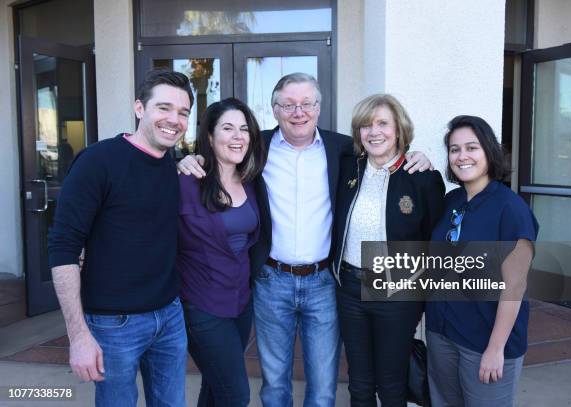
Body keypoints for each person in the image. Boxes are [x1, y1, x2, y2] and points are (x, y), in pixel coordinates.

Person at [177, 72, 433, 407]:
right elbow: (220, 163)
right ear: (275, 109)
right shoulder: (256, 148)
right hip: (271, 280)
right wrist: (191, 159)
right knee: (275, 384)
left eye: (307, 103)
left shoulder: (343, 149)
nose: (299, 112)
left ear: (318, 107)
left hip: (324, 282)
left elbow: (384, 150)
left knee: (324, 385)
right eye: (288, 104)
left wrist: (417, 156)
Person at [48, 69, 193, 407]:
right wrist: (78, 335)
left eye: (183, 112)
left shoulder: (172, 166)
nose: (174, 120)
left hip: (169, 315)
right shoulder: (97, 162)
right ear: (140, 108)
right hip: (114, 324)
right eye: (164, 108)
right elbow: (62, 247)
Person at [331, 94, 445, 406]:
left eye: (382, 123)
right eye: (365, 126)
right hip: (350, 288)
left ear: (399, 130)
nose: (374, 132)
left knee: (392, 383)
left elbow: (433, 246)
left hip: (397, 293)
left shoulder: (423, 179)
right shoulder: (347, 168)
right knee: (359, 382)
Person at [425, 115, 538, 406]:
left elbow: (514, 287)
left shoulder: (511, 210)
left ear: (489, 151)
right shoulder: (452, 202)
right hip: (443, 333)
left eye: (471, 148)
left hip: (485, 339)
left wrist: (495, 348)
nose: (462, 156)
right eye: (454, 149)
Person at [177, 98, 265, 406]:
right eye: (227, 128)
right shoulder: (186, 182)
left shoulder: (252, 181)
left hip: (240, 302)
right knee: (236, 394)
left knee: (216, 387)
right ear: (210, 137)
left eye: (244, 129)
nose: (237, 136)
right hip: (202, 305)